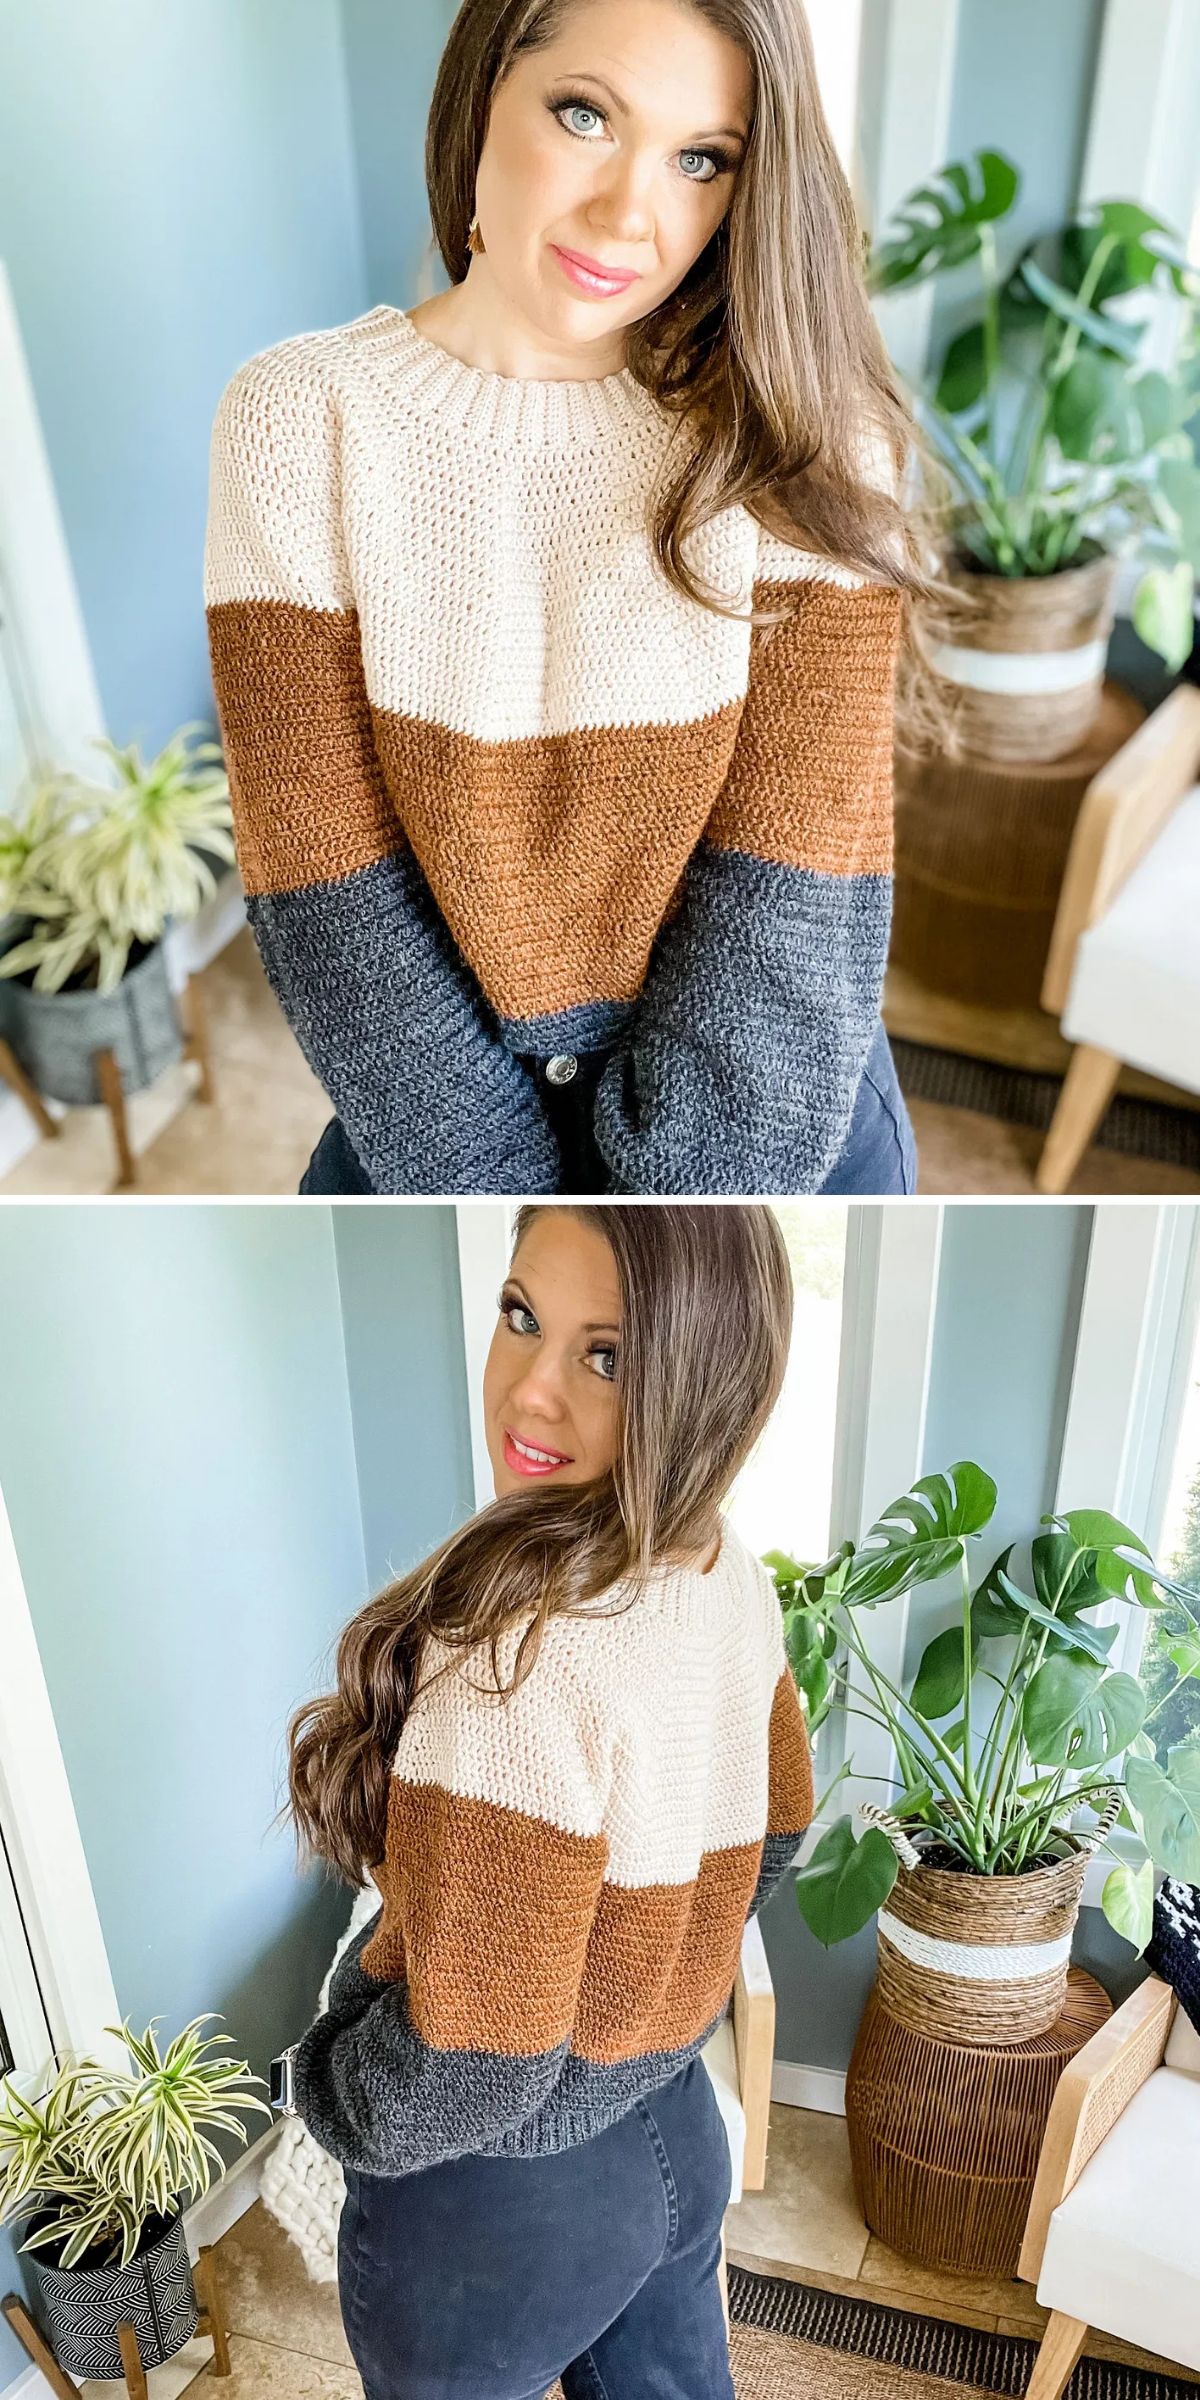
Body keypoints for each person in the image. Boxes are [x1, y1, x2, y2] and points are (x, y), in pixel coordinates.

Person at [204, 0, 940, 1199]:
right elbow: (325, 885)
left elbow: (791, 887)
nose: (631, 215)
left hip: (758, 1112)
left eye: (702, 159)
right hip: (431, 1116)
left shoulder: (809, 436)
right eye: (586, 114)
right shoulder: (300, 421)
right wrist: (508, 1208)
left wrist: (653, 1220)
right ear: (482, 91)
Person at [278, 1202, 815, 2400]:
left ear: (706, 1376)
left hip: (496, 2219)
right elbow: (773, 1840)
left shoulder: (517, 1663)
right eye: (523, 1316)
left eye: (606, 1354)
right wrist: (643, 1997)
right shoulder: (726, 1573)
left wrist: (323, 2082)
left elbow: (475, 2068)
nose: (529, 1391)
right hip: (675, 2132)